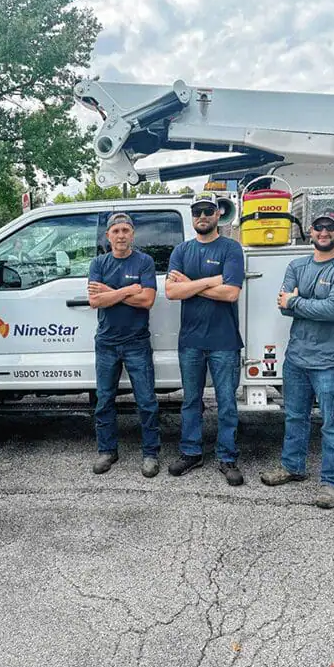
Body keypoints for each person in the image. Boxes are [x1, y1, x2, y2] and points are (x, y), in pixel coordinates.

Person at [261, 210, 334, 509]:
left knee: (332, 423)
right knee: (295, 417)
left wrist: (297, 302)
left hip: (330, 362)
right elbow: (283, 306)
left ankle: (331, 484)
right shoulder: (297, 265)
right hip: (296, 358)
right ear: (310, 230)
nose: (323, 232)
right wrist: (315, 306)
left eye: (330, 227)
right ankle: (292, 467)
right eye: (319, 227)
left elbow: (333, 311)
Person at [164, 192, 246, 486]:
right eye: (197, 211)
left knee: (226, 403)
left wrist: (191, 285)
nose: (202, 216)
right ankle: (191, 452)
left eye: (208, 211)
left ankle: (227, 458)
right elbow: (172, 293)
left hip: (224, 341)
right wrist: (212, 281)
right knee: (191, 401)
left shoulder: (231, 249)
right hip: (191, 341)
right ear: (192, 215)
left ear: (217, 215)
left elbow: (232, 293)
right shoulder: (181, 251)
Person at [87, 212, 161, 477]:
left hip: (136, 342)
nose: (120, 235)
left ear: (133, 234)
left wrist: (111, 292)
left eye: (125, 231)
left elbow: (147, 300)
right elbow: (95, 302)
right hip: (106, 343)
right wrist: (129, 290)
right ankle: (107, 451)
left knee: (147, 401)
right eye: (115, 231)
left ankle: (151, 453)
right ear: (108, 235)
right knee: (104, 401)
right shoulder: (98, 263)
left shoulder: (144, 261)